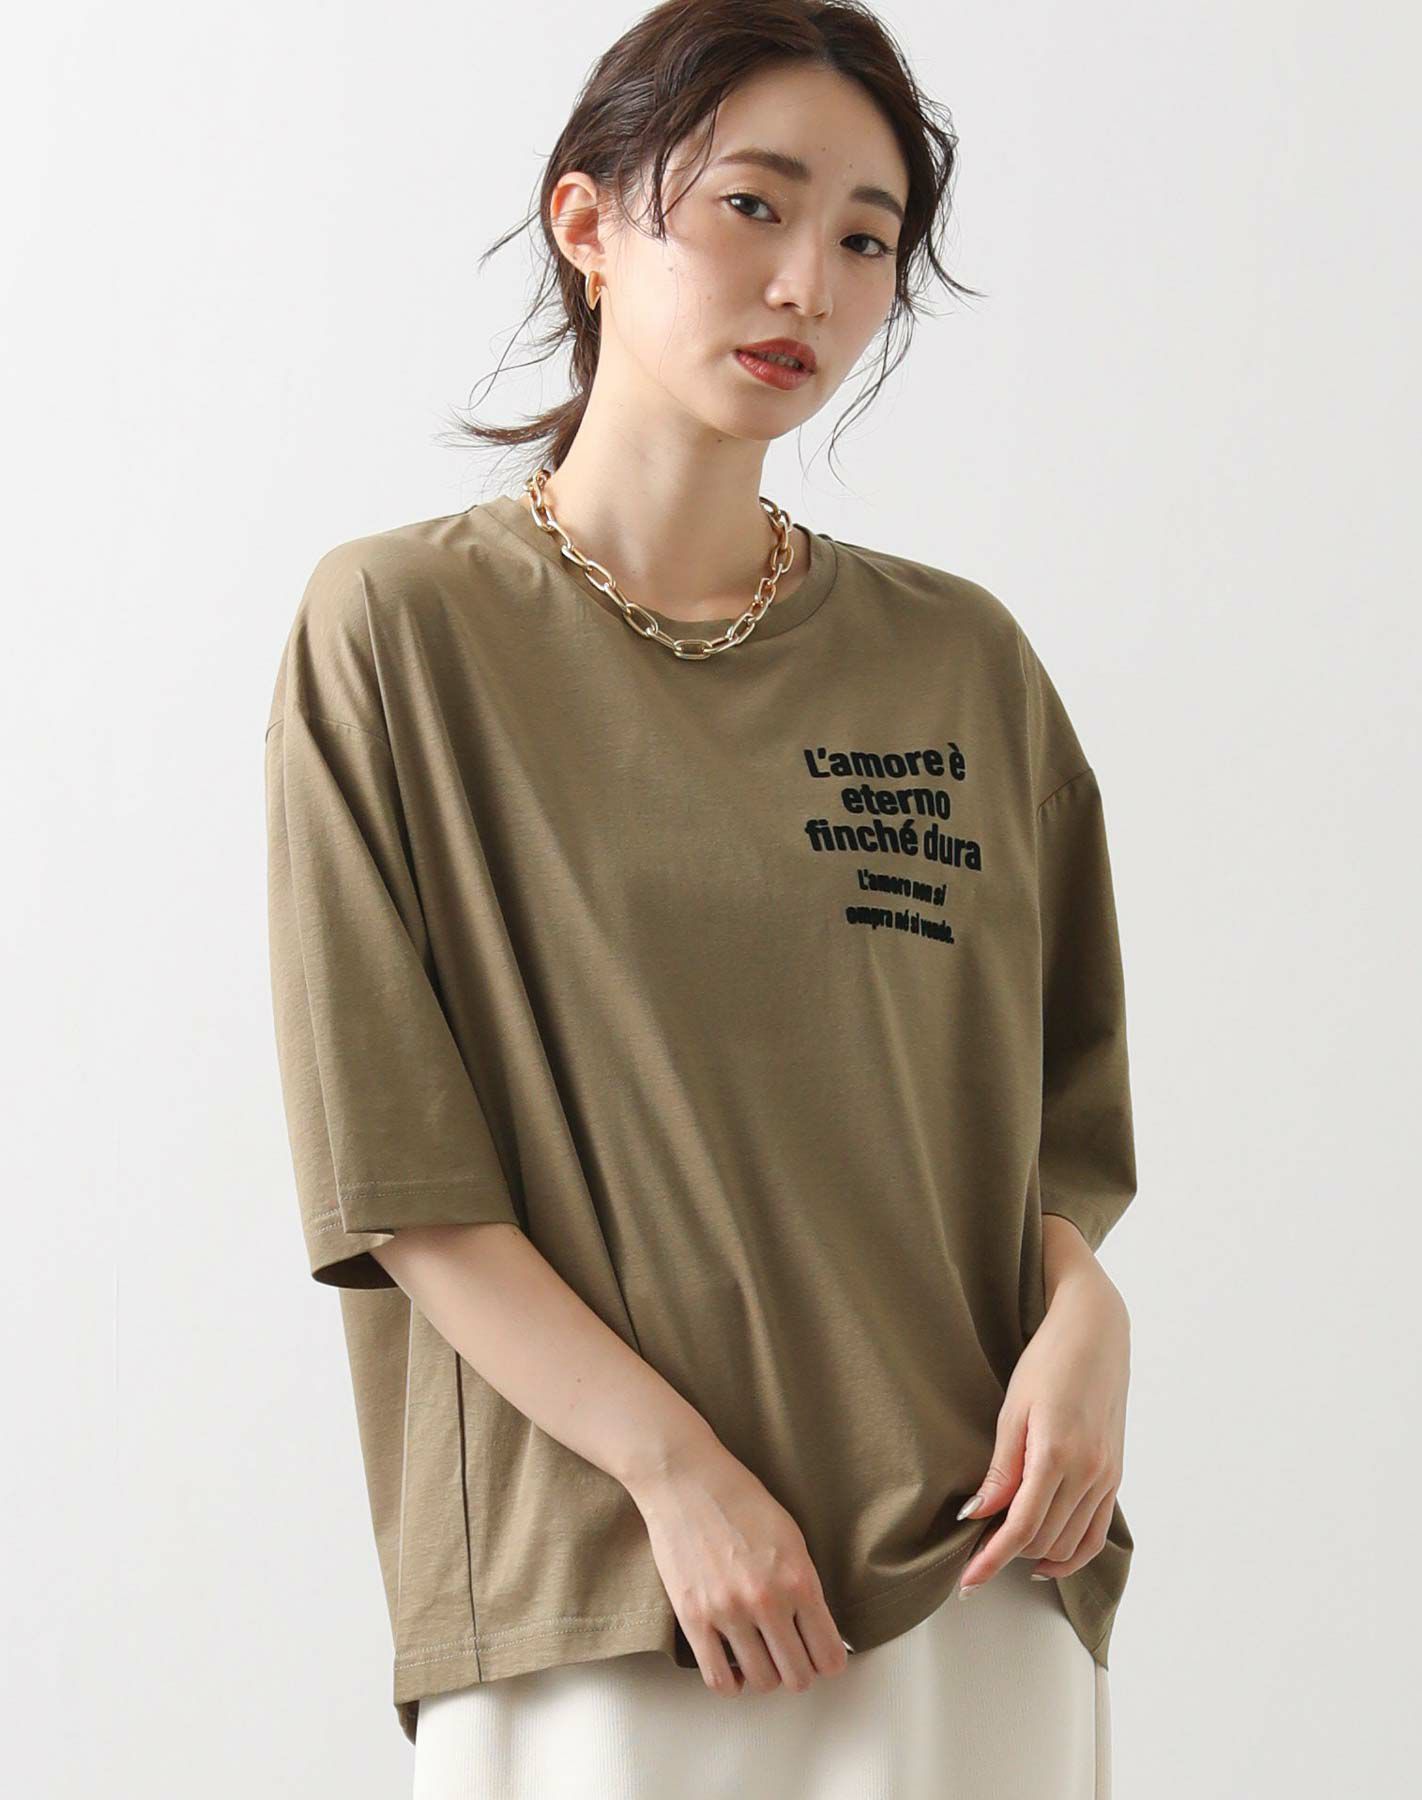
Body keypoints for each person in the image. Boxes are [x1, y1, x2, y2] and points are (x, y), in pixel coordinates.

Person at [263, 3, 1138, 1794]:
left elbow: (1048, 1122)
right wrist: (677, 1476)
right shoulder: (402, 633)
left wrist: (1089, 1320)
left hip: (979, 1563)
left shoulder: (959, 663)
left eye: (868, 239)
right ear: (586, 224)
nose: (809, 281)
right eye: (754, 205)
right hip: (618, 1587)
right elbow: (400, 1176)